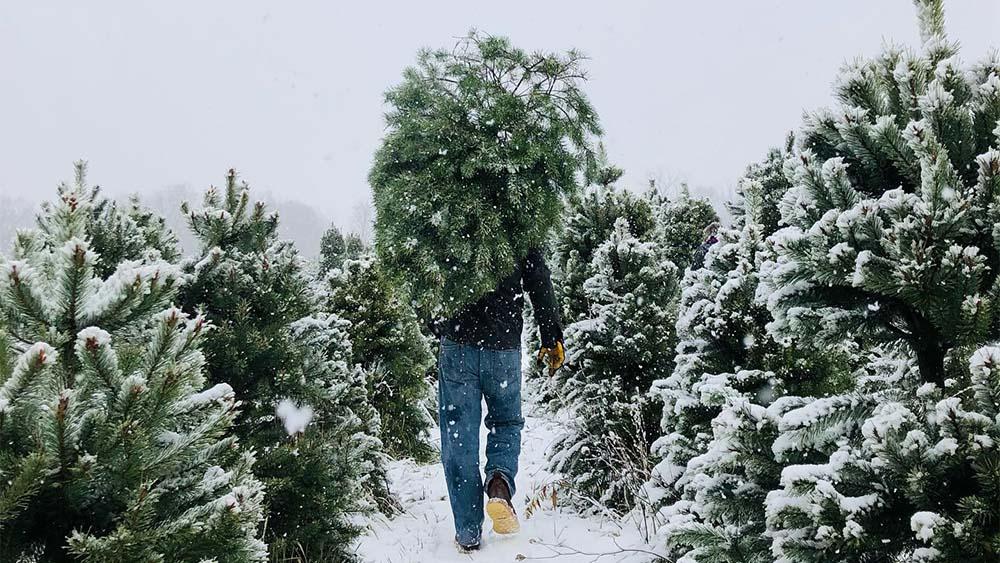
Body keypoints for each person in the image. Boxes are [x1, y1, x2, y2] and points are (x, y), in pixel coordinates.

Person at [434, 247, 565, 552]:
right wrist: (551, 335)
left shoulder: (445, 202)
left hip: (457, 340)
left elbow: (420, 267)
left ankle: (467, 531)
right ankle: (499, 486)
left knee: (458, 433)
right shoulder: (517, 210)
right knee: (505, 421)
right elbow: (539, 279)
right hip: (502, 345)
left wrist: (434, 321)